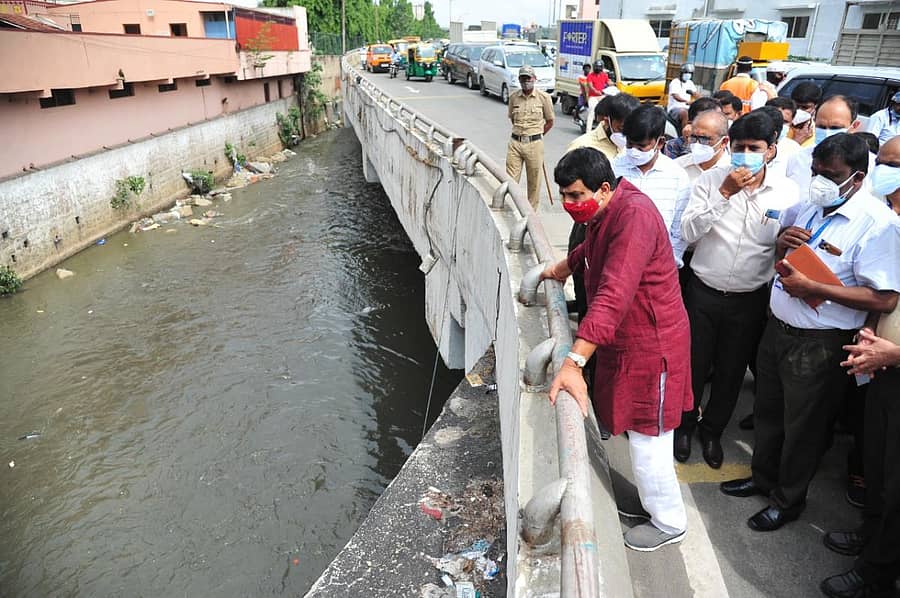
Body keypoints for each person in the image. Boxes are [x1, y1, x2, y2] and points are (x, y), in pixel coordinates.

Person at [720, 133, 900, 532]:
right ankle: (762, 478)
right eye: (816, 171)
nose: (820, 180)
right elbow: (792, 254)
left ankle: (787, 500)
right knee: (769, 414)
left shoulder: (877, 224)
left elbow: (884, 298)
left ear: (856, 178)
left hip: (820, 343)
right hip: (779, 330)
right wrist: (783, 245)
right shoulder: (813, 205)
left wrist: (816, 289)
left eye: (830, 175)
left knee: (804, 429)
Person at [542, 146, 692, 552]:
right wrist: (564, 266)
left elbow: (613, 294)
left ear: (604, 188)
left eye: (575, 195)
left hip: (652, 343)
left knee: (650, 438)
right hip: (629, 341)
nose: (569, 204)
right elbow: (592, 248)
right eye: (564, 196)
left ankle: (669, 521)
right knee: (634, 426)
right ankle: (649, 505)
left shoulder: (634, 216)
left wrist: (574, 361)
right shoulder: (607, 210)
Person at [675, 111, 800, 467]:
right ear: (729, 147)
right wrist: (724, 195)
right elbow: (688, 233)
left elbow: (785, 245)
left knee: (731, 371)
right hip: (703, 292)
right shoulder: (710, 182)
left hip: (749, 299)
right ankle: (683, 427)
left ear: (771, 150)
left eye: (754, 148)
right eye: (740, 147)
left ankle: (712, 432)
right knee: (694, 366)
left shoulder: (787, 193)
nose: (745, 154)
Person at [820, 135, 900, 598]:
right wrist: (872, 333)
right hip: (882, 368)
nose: (886, 173)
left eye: (895, 165)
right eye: (884, 163)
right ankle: (871, 541)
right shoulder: (895, 227)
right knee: (876, 467)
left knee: (897, 485)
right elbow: (888, 295)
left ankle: (877, 574)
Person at [613, 105, 691, 267]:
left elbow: (678, 226)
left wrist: (670, 261)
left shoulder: (677, 175)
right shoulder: (614, 168)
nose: (634, 151)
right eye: (629, 145)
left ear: (660, 142)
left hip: (657, 262)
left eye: (641, 146)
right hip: (615, 257)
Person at [506, 65, 554, 211]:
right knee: (510, 179)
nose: (525, 81)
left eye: (528, 78)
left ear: (534, 79)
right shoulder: (514, 97)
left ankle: (531, 213)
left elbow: (550, 121)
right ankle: (512, 208)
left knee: (534, 181)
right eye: (523, 78)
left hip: (534, 144)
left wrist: (536, 135)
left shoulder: (544, 98)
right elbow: (512, 118)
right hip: (515, 142)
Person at [674, 101, 730, 182]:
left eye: (704, 139)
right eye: (693, 137)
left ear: (724, 142)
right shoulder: (678, 166)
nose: (697, 144)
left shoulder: (731, 172)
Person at [788, 81, 822, 148]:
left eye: (805, 107)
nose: (799, 110)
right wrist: (797, 141)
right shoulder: (781, 128)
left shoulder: (819, 133)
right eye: (796, 106)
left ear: (815, 107)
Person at [668, 64, 697, 129]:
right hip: (675, 108)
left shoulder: (690, 83)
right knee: (684, 113)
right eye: (686, 73)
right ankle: (684, 135)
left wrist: (700, 99)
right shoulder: (675, 82)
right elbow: (676, 96)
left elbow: (695, 93)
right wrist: (686, 101)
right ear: (681, 73)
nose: (688, 74)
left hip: (687, 107)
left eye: (690, 73)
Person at [585, 60, 610, 133]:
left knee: (609, 110)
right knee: (592, 110)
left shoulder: (604, 75)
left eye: (599, 67)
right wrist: (597, 92)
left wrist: (613, 85)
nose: (598, 68)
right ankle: (588, 131)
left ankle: (605, 129)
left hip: (602, 96)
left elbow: (608, 82)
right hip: (593, 97)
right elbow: (591, 87)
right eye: (597, 67)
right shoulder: (590, 76)